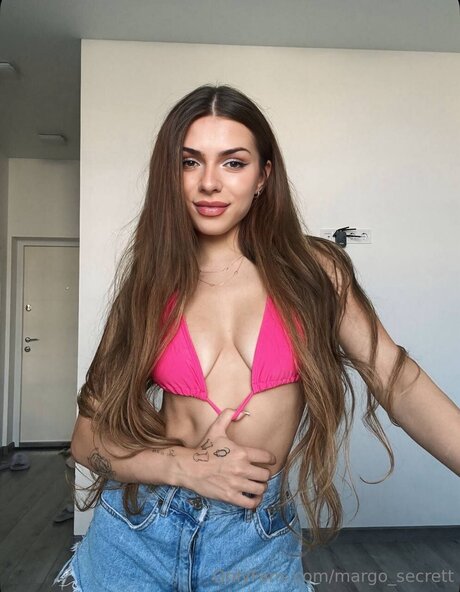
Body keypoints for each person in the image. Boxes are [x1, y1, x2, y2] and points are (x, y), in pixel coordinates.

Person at [54, 84, 460, 591]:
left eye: (233, 163)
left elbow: (397, 381)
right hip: (138, 533)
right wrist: (184, 466)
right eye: (189, 162)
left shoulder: (315, 272)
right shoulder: (149, 286)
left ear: (263, 175)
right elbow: (86, 439)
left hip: (253, 540)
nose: (209, 183)